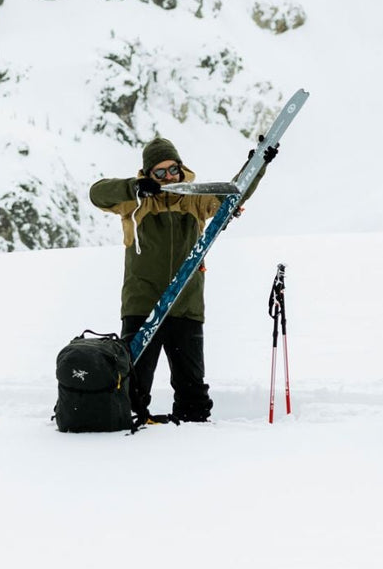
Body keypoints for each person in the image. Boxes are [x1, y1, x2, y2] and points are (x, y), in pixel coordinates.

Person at [89, 137, 276, 425]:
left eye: (172, 170)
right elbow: (97, 193)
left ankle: (192, 438)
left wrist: (258, 164)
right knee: (133, 386)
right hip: (142, 306)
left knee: (192, 390)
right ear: (148, 174)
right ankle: (126, 441)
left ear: (180, 168)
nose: (168, 177)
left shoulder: (195, 200)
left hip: (185, 305)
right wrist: (134, 187)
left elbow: (233, 195)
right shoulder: (133, 201)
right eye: (159, 173)